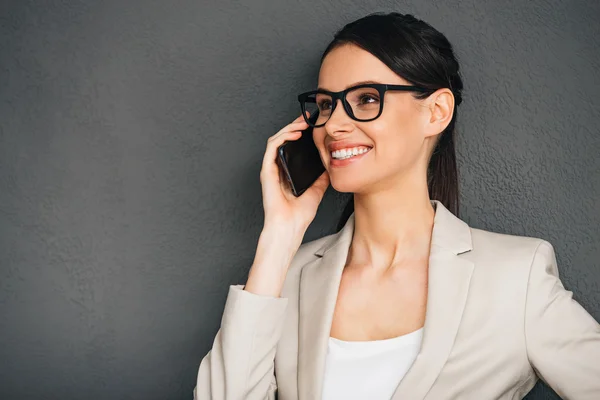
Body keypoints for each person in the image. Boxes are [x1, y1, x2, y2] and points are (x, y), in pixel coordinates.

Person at [193, 11, 600, 400]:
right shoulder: (286, 276)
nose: (333, 125)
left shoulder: (517, 276)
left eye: (367, 98)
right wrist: (278, 238)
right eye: (326, 104)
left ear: (436, 112)